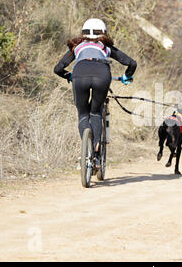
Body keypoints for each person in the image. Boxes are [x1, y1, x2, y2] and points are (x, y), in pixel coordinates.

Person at [54, 18, 137, 168]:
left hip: (80, 74)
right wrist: (127, 76)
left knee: (83, 114)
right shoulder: (106, 47)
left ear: (84, 32)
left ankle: (86, 151)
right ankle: (96, 156)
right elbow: (132, 63)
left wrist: (70, 76)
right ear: (103, 33)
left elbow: (58, 69)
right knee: (96, 113)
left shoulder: (77, 46)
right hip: (102, 75)